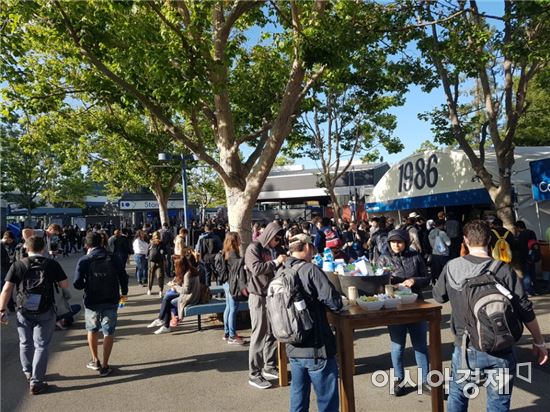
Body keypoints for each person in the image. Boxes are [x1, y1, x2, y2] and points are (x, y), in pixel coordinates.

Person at [433, 220, 548, 412]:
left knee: (458, 395)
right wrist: (539, 342)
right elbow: (525, 308)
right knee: (498, 403)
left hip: (465, 347)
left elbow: (438, 296)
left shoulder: (452, 267)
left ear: (465, 240)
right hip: (501, 346)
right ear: (490, 240)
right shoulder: (503, 269)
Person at [0, 236, 69, 394]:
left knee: (25, 342)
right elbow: (64, 284)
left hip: (23, 309)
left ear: (26, 248)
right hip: (46, 309)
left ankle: (28, 371)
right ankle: (37, 381)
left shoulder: (18, 265)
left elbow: (6, 289)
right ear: (43, 248)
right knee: (41, 345)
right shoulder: (51, 264)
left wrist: (2, 310)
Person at [284, 229, 343, 412]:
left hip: (293, 345)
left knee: (298, 398)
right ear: (308, 247)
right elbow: (334, 301)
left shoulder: (282, 270)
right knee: (326, 401)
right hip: (316, 346)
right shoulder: (310, 270)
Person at [376, 229, 431, 396]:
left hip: (416, 305)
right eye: (393, 242)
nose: (396, 245)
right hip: (394, 307)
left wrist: (414, 280)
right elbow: (377, 282)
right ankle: (399, 379)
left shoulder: (415, 256)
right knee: (397, 346)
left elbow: (427, 279)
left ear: (406, 242)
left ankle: (425, 381)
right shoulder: (383, 259)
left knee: (420, 346)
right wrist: (389, 282)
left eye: (399, 242)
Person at [74, 232, 128, 377]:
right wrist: (124, 292)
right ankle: (105, 365)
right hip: (111, 298)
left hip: (92, 300)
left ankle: (95, 360)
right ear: (103, 242)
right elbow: (123, 276)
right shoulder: (113, 257)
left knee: (92, 329)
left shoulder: (85, 260)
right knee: (108, 332)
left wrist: (87, 283)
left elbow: (77, 284)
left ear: (87, 244)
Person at [245, 221, 287, 389]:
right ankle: (254, 373)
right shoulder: (253, 248)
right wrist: (276, 262)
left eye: (279, 239)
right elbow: (255, 268)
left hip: (272, 295)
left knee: (272, 332)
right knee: (259, 334)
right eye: (276, 238)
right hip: (258, 296)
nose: (277, 241)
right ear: (269, 235)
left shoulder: (276, 249)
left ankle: (269, 366)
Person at [146, 254, 201, 334]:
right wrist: (175, 283)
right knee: (167, 297)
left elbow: (186, 290)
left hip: (190, 298)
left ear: (180, 265)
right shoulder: (191, 270)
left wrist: (175, 286)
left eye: (175, 265)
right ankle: (163, 322)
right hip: (193, 295)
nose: (174, 266)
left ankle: (164, 323)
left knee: (168, 301)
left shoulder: (187, 274)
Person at [220, 232, 245, 345]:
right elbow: (239, 265)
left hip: (226, 282)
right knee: (233, 309)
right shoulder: (234, 253)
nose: (240, 240)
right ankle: (232, 335)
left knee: (228, 308)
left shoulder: (226, 251)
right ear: (234, 241)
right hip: (232, 283)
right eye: (239, 239)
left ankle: (227, 333)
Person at [514, 221, 537, 296]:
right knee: (532, 273)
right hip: (533, 256)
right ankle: (534, 289)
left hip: (525, 257)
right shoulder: (531, 232)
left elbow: (521, 247)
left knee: (526, 275)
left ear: (518, 227)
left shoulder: (521, 235)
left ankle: (528, 291)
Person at [428, 219, 451, 284]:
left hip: (434, 253)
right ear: (442, 225)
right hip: (443, 254)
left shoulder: (430, 232)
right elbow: (449, 243)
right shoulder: (442, 233)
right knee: (444, 271)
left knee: (436, 271)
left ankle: (435, 283)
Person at [147, 231, 166, 297]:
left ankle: (149, 289)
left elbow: (147, 252)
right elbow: (165, 252)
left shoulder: (151, 243)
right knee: (160, 276)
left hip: (152, 262)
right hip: (159, 261)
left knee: (150, 276)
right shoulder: (162, 243)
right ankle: (160, 291)